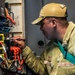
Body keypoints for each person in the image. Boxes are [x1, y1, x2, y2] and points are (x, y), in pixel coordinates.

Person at [12, 2, 75, 75]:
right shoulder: (51, 46)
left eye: (42, 24)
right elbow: (42, 69)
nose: (41, 29)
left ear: (53, 23)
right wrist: (24, 48)